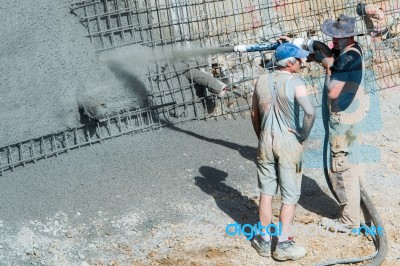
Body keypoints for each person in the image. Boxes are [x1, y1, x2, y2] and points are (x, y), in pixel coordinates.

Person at [250, 42, 315, 261]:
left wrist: (262, 136)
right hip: (288, 141)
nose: (302, 62)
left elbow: (253, 114)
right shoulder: (296, 82)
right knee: (289, 195)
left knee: (266, 193)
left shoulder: (260, 81)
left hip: (266, 140)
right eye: (298, 59)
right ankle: (284, 244)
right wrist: (302, 135)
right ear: (289, 64)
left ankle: (264, 240)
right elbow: (310, 113)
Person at [320, 14, 371, 232]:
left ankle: (349, 221)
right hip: (354, 115)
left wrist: (328, 66)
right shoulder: (354, 50)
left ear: (347, 36)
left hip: (343, 118)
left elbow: (333, 92)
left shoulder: (345, 59)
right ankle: (361, 211)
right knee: (353, 160)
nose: (332, 39)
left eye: (336, 36)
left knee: (341, 166)